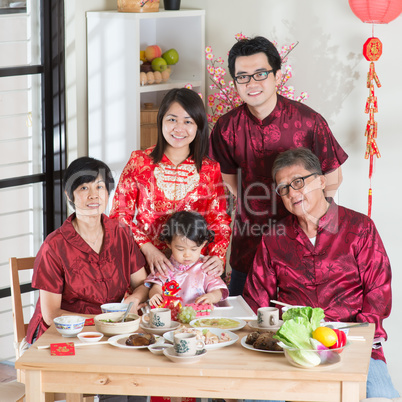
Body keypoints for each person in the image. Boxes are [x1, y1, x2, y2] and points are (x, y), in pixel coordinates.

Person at [244, 148, 399, 398]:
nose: (292, 193)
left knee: (381, 395)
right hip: (290, 348)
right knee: (255, 397)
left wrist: (349, 337)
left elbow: (378, 293)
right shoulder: (274, 237)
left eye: (298, 182)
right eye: (283, 188)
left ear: (321, 180)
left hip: (352, 346)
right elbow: (256, 300)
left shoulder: (360, 228)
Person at [208, 36, 348, 296]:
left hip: (304, 245)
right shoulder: (227, 127)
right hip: (250, 242)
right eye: (243, 77)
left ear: (277, 76)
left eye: (260, 74)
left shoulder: (308, 121)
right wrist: (256, 204)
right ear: (235, 82)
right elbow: (227, 179)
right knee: (244, 326)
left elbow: (332, 177)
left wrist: (306, 214)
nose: (252, 83)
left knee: (303, 325)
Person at [25, 157, 149, 402]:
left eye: (100, 187)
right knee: (106, 377)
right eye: (84, 188)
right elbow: (51, 315)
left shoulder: (121, 233)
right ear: (69, 195)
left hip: (110, 333)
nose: (94, 195)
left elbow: (142, 284)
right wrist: (104, 321)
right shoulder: (54, 245)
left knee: (140, 372)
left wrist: (135, 298)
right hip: (63, 337)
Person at [110, 87, 231, 278]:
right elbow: (119, 215)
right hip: (145, 266)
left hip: (194, 269)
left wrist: (218, 256)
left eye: (188, 121)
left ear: (198, 126)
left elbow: (219, 220)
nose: (179, 128)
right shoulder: (139, 162)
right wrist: (147, 248)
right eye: (172, 119)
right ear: (161, 121)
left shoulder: (210, 169)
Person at [145, 211, 229, 307]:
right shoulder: (165, 267)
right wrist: (155, 295)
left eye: (193, 249)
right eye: (180, 249)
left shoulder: (205, 267)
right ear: (169, 244)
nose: (187, 255)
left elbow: (218, 290)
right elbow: (156, 287)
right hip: (173, 317)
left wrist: (211, 297)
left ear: (203, 245)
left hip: (201, 317)